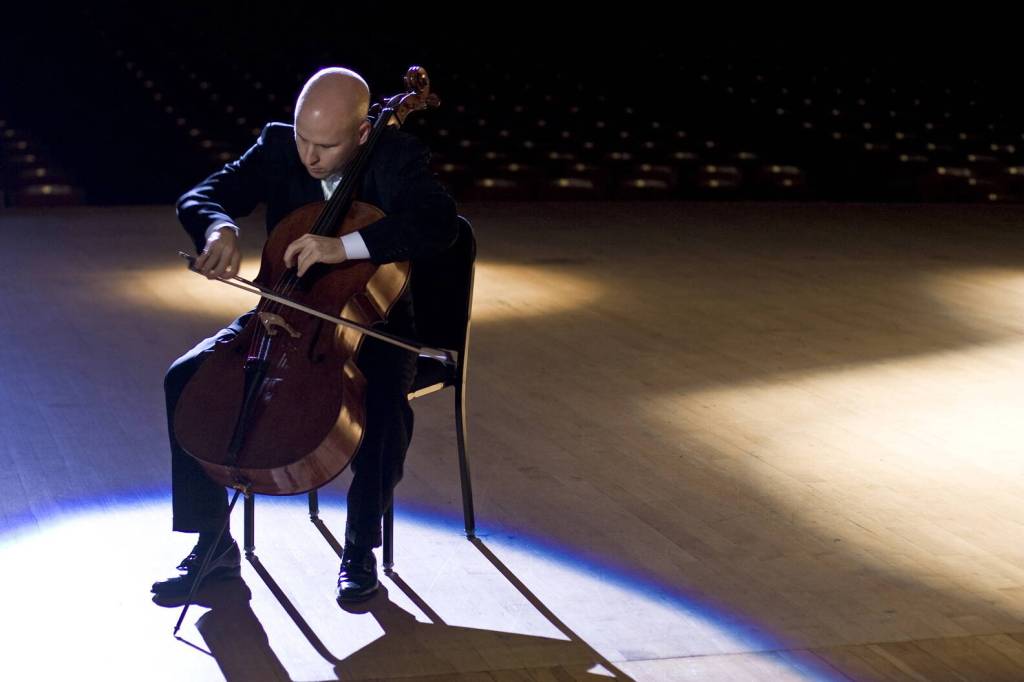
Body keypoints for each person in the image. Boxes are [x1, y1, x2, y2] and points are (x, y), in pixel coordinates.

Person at [151, 66, 458, 604]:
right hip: (285, 311)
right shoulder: (276, 145)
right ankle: (214, 548)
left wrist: (346, 246)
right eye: (302, 138)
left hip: (377, 325)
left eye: (326, 145)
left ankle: (360, 548)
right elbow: (202, 195)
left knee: (384, 407)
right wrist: (219, 226)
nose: (308, 157)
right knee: (186, 377)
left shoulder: (395, 155)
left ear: (363, 133)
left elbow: (440, 225)